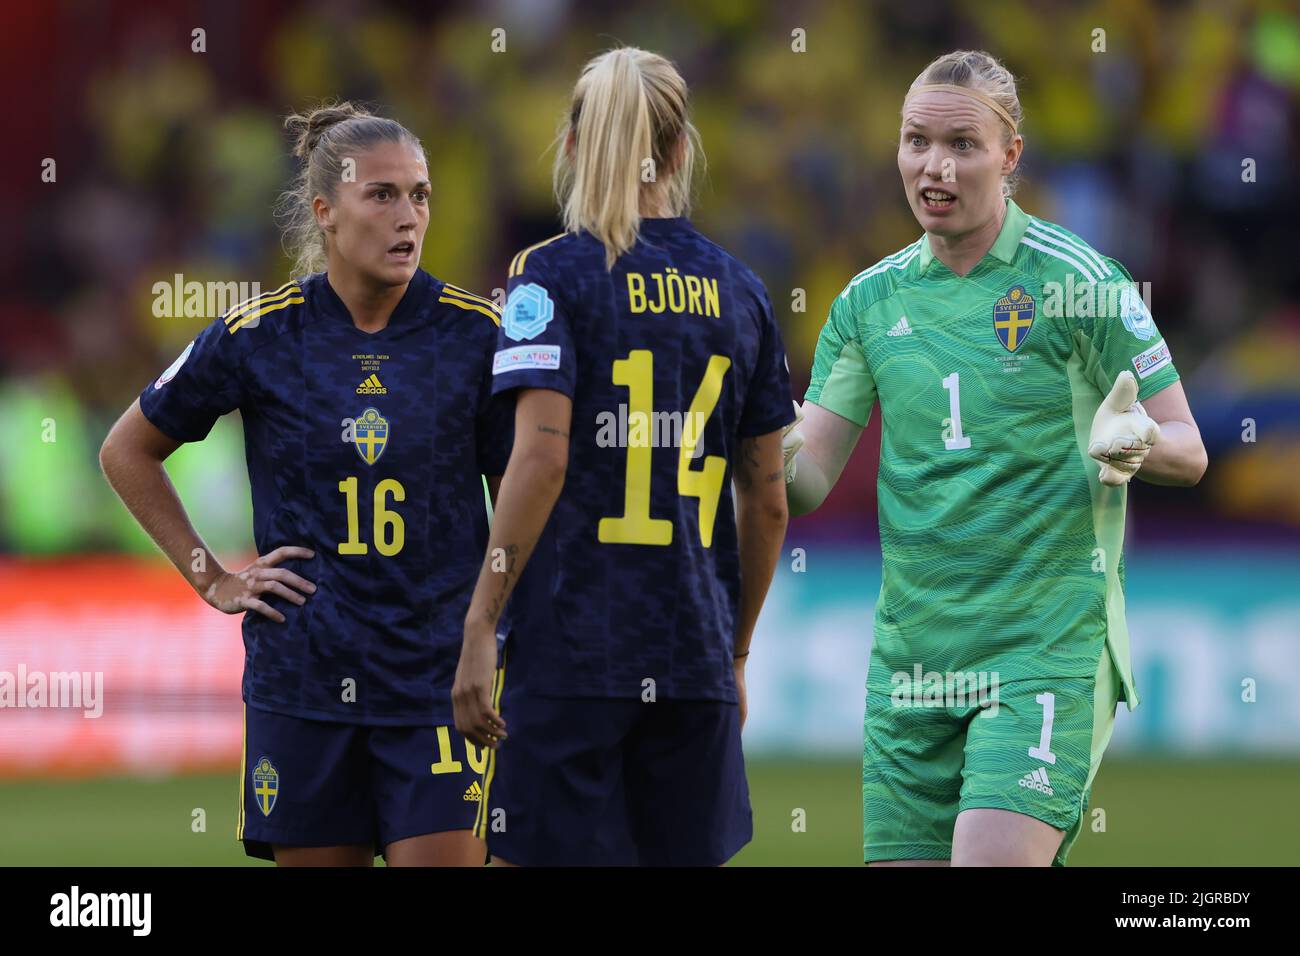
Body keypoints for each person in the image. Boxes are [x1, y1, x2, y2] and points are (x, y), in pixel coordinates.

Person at [782, 51, 1208, 867]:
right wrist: (743, 437)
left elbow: (1189, 450)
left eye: (961, 144)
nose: (933, 166)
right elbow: (805, 480)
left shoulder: (1081, 284)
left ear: (1011, 155)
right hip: (913, 671)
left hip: (1044, 647)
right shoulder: (868, 301)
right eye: (915, 141)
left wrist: (1135, 444)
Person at [99, 102, 514, 866]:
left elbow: (523, 499)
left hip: (436, 682)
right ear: (325, 212)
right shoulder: (259, 335)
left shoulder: (476, 336)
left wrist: (495, 631)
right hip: (304, 684)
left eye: (420, 195)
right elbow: (127, 450)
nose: (408, 216)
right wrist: (213, 578)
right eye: (382, 195)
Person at [451, 47, 794, 866]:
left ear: (571, 145)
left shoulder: (547, 276)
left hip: (573, 651)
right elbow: (770, 500)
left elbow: (541, 460)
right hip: (694, 655)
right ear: (680, 152)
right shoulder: (741, 291)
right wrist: (735, 651)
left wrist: (480, 619)